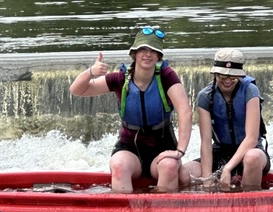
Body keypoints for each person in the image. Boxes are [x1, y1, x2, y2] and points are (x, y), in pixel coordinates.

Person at [69, 26, 193, 193]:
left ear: (158, 56)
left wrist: (180, 151)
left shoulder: (166, 76)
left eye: (153, 51)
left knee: (170, 166)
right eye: (143, 50)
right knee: (119, 166)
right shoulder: (120, 79)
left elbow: (185, 111)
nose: (148, 54)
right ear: (134, 53)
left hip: (163, 145)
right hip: (130, 146)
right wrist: (91, 72)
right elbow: (77, 90)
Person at [180, 48, 271, 190]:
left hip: (249, 151)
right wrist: (207, 179)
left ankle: (249, 203)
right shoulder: (205, 96)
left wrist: (227, 169)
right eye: (222, 76)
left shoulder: (250, 91)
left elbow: (251, 139)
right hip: (220, 152)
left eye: (233, 77)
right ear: (215, 74)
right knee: (183, 173)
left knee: (253, 158)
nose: (227, 81)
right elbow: (205, 142)